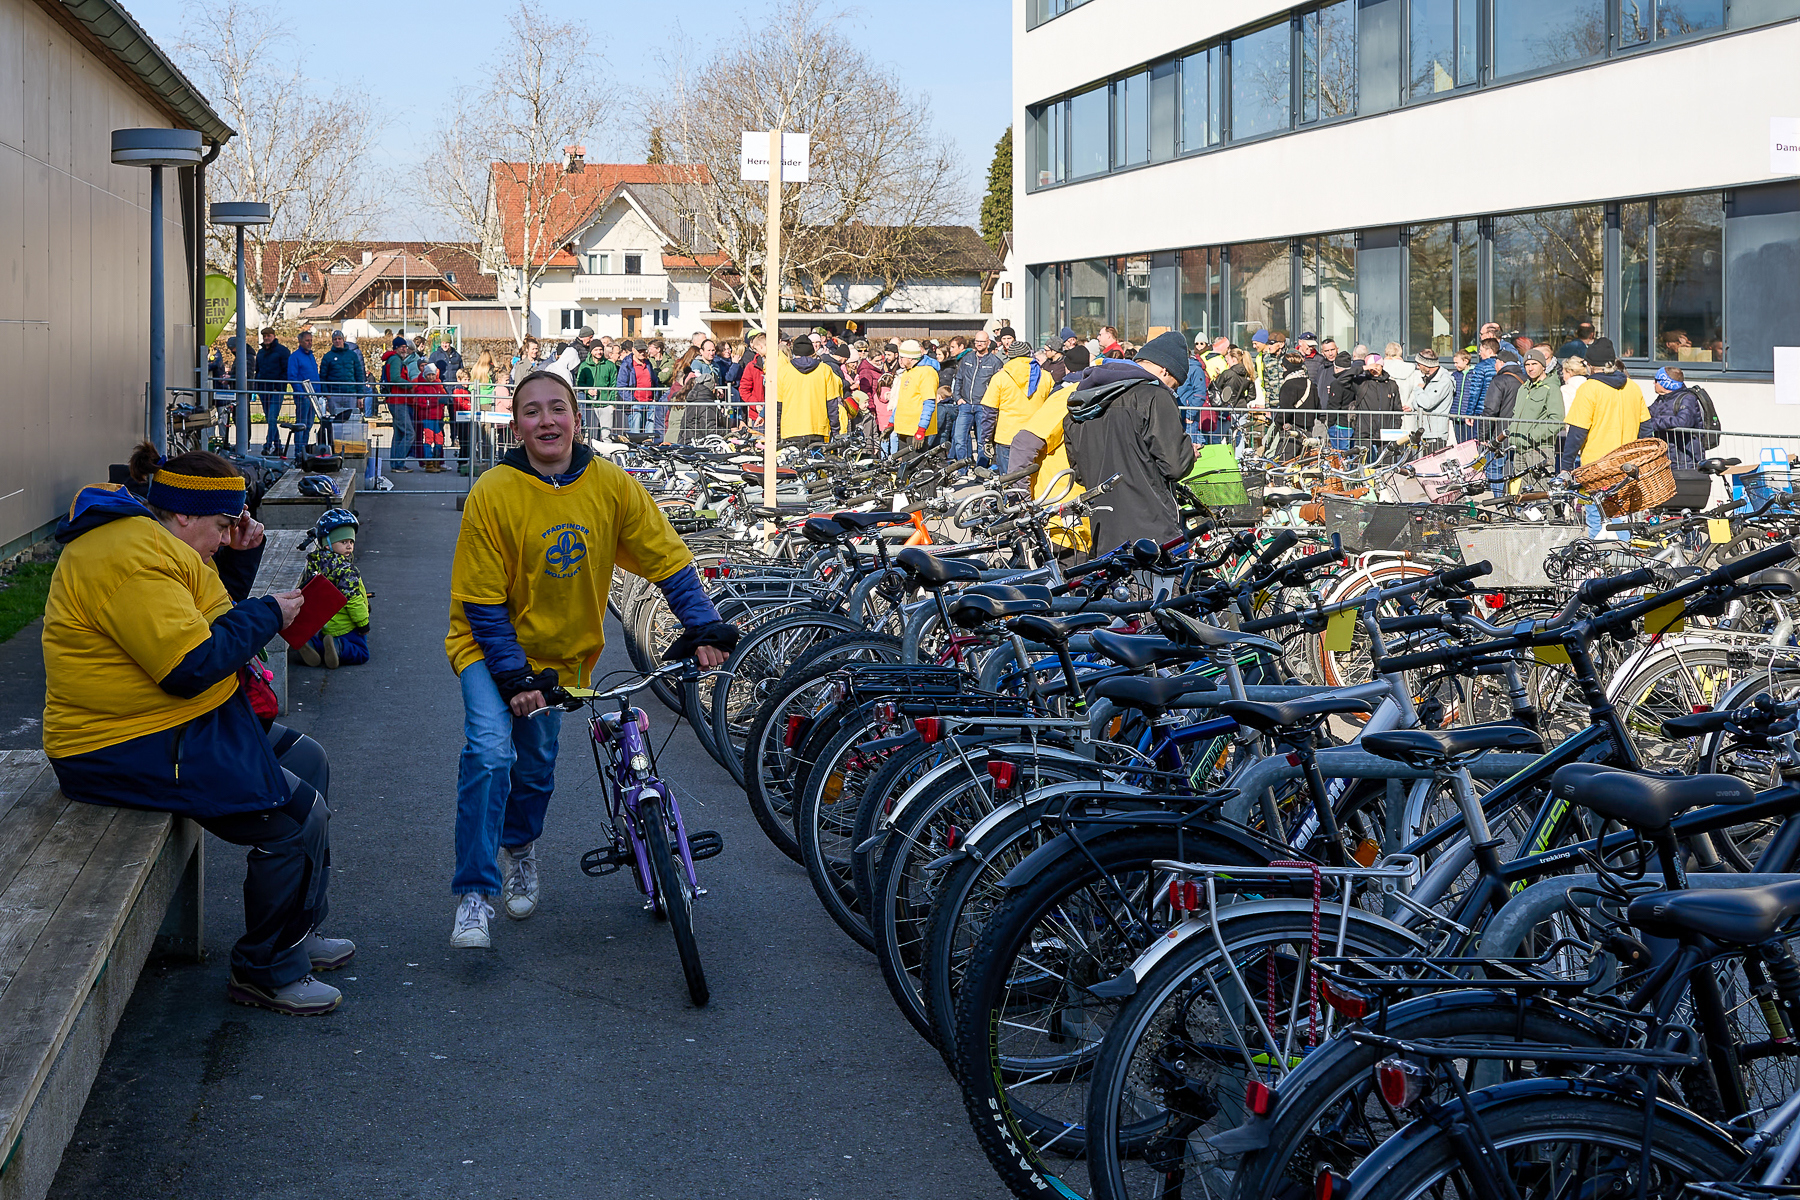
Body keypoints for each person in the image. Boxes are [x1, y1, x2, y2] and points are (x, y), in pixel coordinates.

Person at [42, 444, 350, 1014]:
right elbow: (189, 665)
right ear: (184, 513)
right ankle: (266, 971)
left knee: (307, 759)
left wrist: (239, 560)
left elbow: (205, 617)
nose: (226, 536)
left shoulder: (162, 543)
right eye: (223, 525)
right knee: (294, 819)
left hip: (166, 723)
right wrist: (268, 614)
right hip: (114, 744)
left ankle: (297, 932)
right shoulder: (132, 558)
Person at [445, 372, 738, 947]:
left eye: (557, 408)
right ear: (516, 425)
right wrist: (514, 677)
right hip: (488, 647)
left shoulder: (610, 484)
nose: (546, 420)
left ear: (577, 419)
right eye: (532, 411)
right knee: (490, 752)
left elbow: (667, 558)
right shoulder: (493, 491)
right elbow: (481, 602)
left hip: (561, 656)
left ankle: (520, 849)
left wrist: (703, 626)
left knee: (535, 766)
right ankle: (474, 893)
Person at [1062, 329, 1194, 553]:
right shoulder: (1154, 397)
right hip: (1151, 532)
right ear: (1164, 370)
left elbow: (1081, 473)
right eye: (1174, 384)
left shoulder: (1083, 400)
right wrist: (1188, 451)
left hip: (1104, 531)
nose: (1173, 390)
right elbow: (1175, 466)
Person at [1559, 338, 1652, 538]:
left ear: (1590, 365)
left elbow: (1577, 432)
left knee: (1598, 519)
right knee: (1621, 517)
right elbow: (1646, 428)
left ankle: (1602, 557)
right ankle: (1624, 555)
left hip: (1598, 467)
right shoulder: (1632, 387)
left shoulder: (1589, 388)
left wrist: (1566, 467)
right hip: (1627, 465)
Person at [296, 509, 370, 669]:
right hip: (346, 625)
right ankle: (339, 647)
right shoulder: (347, 570)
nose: (349, 546)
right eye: (343, 542)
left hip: (324, 623)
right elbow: (353, 600)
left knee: (325, 641)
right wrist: (363, 623)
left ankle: (313, 645)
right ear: (327, 544)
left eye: (351, 542)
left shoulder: (316, 563)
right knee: (362, 652)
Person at [978, 341, 1053, 472]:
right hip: (1036, 435)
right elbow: (1052, 407)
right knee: (1033, 478)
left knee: (1009, 479)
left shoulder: (1000, 377)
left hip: (1007, 437)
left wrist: (986, 439)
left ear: (1009, 356)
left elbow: (989, 412)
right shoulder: (1045, 376)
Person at [776, 333, 843, 448]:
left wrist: (777, 433)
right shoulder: (825, 370)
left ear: (794, 352)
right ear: (812, 352)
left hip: (790, 430)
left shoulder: (783, 371)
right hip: (817, 429)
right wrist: (836, 431)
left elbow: (778, 405)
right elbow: (832, 404)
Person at [951, 332, 1004, 465]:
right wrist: (958, 398)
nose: (979, 344)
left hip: (983, 407)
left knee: (982, 441)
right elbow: (958, 379)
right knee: (959, 439)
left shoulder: (995, 362)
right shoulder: (967, 359)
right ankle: (962, 468)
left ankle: (981, 469)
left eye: (982, 341)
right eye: (977, 341)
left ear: (988, 343)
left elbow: (998, 386)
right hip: (965, 404)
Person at [1511, 352, 1566, 475]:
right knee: (1520, 487)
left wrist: (1533, 436)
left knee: (1540, 487)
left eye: (1534, 364)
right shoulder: (1523, 388)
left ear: (1543, 366)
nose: (1530, 368)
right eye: (1527, 365)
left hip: (1539, 450)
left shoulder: (1551, 388)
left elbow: (1557, 420)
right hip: (1519, 451)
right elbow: (1516, 415)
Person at [1648, 366, 1705, 470]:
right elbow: (1648, 414)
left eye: (1656, 380)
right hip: (1668, 455)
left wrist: (1653, 424)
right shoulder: (1662, 399)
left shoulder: (1688, 398)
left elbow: (1683, 421)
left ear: (1666, 382)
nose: (1654, 383)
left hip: (1685, 458)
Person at [890, 340, 940, 455]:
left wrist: (921, 429)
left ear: (911, 358)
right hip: (904, 428)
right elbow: (902, 401)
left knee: (917, 464)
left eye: (902, 357)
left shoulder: (927, 372)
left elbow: (929, 403)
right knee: (905, 464)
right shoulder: (907, 372)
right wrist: (892, 423)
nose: (899, 360)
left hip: (916, 429)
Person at [380, 336, 419, 472]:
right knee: (409, 433)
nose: (404, 349)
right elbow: (395, 378)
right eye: (402, 347)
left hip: (396, 400)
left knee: (399, 434)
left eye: (405, 347)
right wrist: (410, 385)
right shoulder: (396, 360)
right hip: (398, 401)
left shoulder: (393, 359)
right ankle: (398, 462)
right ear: (396, 348)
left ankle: (396, 464)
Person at [319, 330, 365, 438]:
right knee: (336, 422)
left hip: (350, 394)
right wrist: (327, 394)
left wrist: (360, 396)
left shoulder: (352, 356)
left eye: (339, 339)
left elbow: (359, 375)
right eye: (335, 339)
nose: (337, 341)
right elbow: (323, 377)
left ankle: (349, 442)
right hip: (334, 395)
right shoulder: (328, 357)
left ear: (343, 340)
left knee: (350, 422)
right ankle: (336, 442)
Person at [254, 328, 290, 456]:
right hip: (263, 390)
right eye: (264, 336)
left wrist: (279, 387)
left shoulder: (282, 351)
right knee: (270, 419)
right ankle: (278, 446)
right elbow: (258, 370)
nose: (266, 338)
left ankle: (268, 445)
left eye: (268, 335)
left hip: (276, 391)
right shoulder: (261, 352)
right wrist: (257, 386)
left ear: (274, 336)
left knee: (271, 418)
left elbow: (286, 371)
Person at [1410, 350, 1456, 452]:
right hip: (1424, 432)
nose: (1417, 367)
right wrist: (1418, 401)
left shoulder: (1444, 381)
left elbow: (1427, 403)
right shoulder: (1429, 379)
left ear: (1427, 365)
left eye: (1419, 364)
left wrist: (1418, 390)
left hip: (1436, 434)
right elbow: (1416, 404)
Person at [413, 363, 450, 471]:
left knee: (439, 439)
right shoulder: (421, 386)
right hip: (427, 416)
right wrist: (437, 401)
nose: (431, 377)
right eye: (428, 375)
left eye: (432, 375)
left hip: (438, 415)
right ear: (425, 375)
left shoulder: (438, 385)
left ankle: (437, 461)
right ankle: (429, 462)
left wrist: (443, 401)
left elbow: (443, 396)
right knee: (429, 439)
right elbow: (422, 402)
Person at [734, 331, 766, 428]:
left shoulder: (780, 363)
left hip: (778, 414)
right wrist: (755, 404)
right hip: (757, 415)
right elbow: (744, 389)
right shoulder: (752, 366)